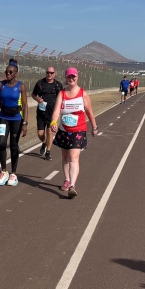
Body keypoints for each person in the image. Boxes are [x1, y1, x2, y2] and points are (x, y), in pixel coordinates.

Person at [50, 67, 98, 199]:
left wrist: (94, 127)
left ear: (77, 77)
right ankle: (67, 179)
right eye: (69, 77)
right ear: (66, 78)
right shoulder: (62, 94)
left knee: (73, 158)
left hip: (78, 131)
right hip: (64, 131)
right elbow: (56, 112)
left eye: (73, 76)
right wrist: (53, 122)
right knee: (65, 158)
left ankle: (72, 185)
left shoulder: (83, 94)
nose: (71, 79)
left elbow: (90, 113)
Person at [0, 58, 28, 186]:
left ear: (16, 73)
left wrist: (25, 123)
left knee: (14, 145)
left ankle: (13, 174)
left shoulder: (21, 86)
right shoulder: (0, 85)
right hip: (3, 117)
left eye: (10, 72)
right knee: (1, 143)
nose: (7, 74)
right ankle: (4, 171)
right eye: (6, 72)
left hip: (16, 119)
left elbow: (25, 106)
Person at [32, 66, 63, 161]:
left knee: (49, 133)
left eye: (51, 73)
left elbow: (62, 97)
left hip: (52, 114)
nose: (49, 74)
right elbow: (33, 94)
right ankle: (44, 142)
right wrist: (37, 99)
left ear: (55, 74)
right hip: (41, 113)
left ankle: (48, 152)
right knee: (40, 134)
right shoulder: (40, 83)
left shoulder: (58, 85)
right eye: (47, 72)